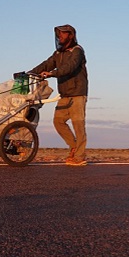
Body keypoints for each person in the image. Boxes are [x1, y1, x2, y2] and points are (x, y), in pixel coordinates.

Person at [30, 24, 89, 166]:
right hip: (65, 94)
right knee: (58, 121)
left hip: (77, 94)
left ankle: (79, 157)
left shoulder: (77, 51)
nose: (60, 36)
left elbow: (70, 67)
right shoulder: (58, 54)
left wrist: (52, 73)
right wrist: (30, 73)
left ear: (71, 35)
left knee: (78, 125)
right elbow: (47, 64)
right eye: (58, 34)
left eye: (63, 34)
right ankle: (74, 147)